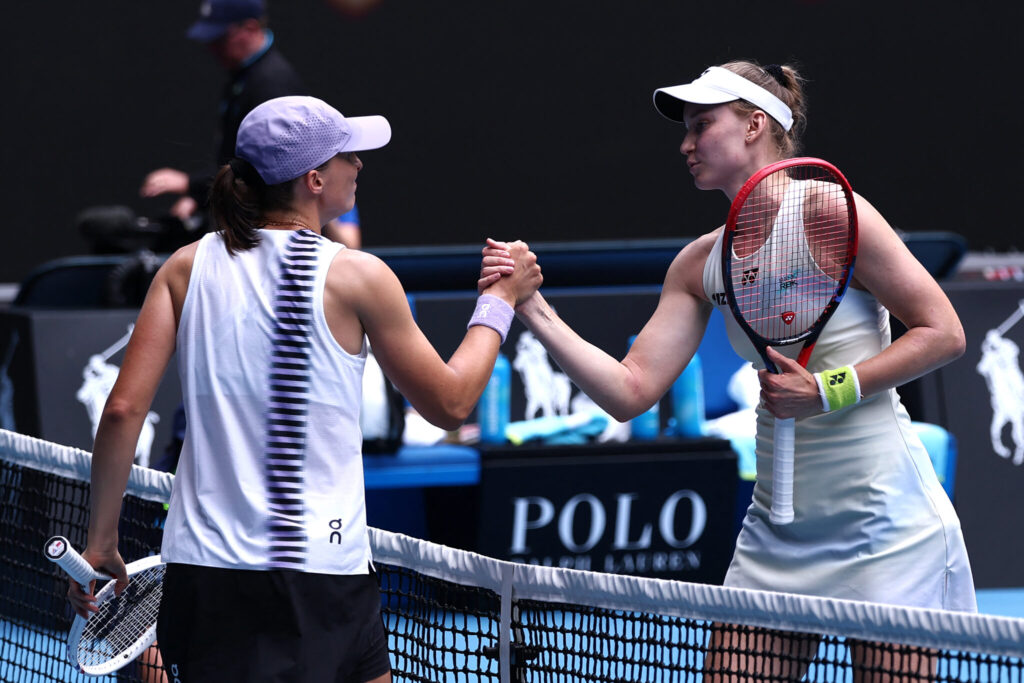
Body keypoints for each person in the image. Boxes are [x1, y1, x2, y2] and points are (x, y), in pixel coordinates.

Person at [480, 61, 975, 679]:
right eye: (684, 130)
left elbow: (943, 332)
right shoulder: (698, 265)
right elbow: (630, 392)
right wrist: (532, 307)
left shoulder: (832, 212)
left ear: (754, 125)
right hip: (777, 528)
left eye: (702, 124)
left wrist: (825, 390)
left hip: (883, 519)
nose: (686, 144)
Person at [67, 95, 541, 682]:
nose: (360, 165)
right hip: (314, 575)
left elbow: (122, 411)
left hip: (205, 571)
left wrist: (101, 541)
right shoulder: (356, 275)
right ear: (314, 179)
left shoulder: (184, 267)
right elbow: (450, 402)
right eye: (348, 156)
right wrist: (498, 303)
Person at [140, 0, 361, 248]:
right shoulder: (244, 76)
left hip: (272, 237)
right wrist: (200, 195)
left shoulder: (271, 83)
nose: (213, 47)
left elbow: (268, 169)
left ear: (250, 27)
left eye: (222, 38)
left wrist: (190, 184)